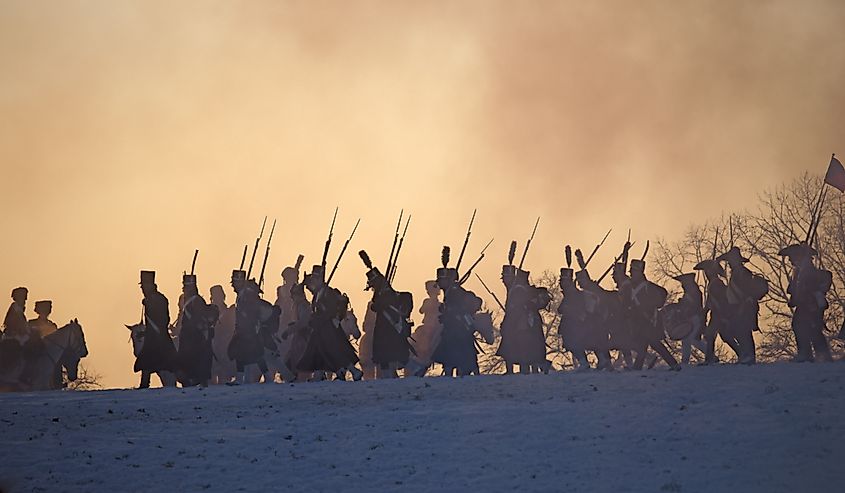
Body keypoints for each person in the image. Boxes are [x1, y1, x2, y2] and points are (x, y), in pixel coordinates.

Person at [296, 265, 362, 381]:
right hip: (320, 326)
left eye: (315, 279)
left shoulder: (328, 292)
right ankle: (319, 375)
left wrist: (322, 311)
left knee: (336, 351)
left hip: (328, 326)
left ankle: (354, 371)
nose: (313, 282)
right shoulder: (318, 293)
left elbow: (331, 309)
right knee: (317, 350)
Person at [432, 248, 484, 377]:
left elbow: (461, 306)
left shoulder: (455, 291)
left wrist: (449, 311)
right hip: (452, 328)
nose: (440, 284)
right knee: (451, 354)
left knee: (460, 354)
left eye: (442, 281)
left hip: (458, 328)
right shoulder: (450, 291)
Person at [780, 243, 833, 362]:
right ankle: (812, 354)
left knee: (809, 328)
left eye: (791, 257)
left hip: (811, 304)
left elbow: (809, 286)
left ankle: (816, 355)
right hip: (804, 304)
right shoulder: (799, 270)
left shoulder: (808, 269)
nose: (789, 260)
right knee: (802, 326)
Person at [623, 260, 680, 371]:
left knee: (651, 343)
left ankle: (673, 364)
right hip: (638, 321)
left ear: (639, 272)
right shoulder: (630, 287)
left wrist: (652, 306)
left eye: (633, 272)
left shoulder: (648, 286)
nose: (631, 274)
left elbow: (662, 294)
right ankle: (639, 367)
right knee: (644, 344)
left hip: (648, 320)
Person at [363, 258, 414, 378]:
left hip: (389, 328)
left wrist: (378, 304)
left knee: (391, 353)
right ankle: (389, 374)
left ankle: (397, 373)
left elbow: (380, 305)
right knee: (385, 355)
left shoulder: (388, 294)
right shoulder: (381, 293)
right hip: (383, 328)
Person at [717, 246, 766, 364]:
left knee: (743, 331)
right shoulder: (736, 273)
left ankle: (749, 356)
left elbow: (747, 290)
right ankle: (745, 354)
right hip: (738, 306)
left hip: (744, 305)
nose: (729, 263)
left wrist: (744, 303)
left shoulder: (743, 272)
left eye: (731, 260)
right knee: (737, 330)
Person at [135, 271, 178, 388]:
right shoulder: (151, 299)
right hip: (152, 337)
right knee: (147, 361)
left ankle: (186, 383)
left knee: (171, 363)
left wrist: (149, 303)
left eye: (144, 286)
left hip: (159, 338)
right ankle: (144, 384)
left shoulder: (158, 299)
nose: (142, 289)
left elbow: (163, 319)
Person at [693, 259, 740, 364]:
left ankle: (709, 359)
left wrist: (722, 315)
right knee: (725, 335)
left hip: (718, 314)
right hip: (716, 313)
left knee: (710, 335)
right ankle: (741, 353)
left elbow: (719, 301)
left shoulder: (716, 284)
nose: (706, 273)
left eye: (707, 271)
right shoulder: (714, 283)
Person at [176, 274, 219, 386]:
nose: (184, 290)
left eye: (185, 288)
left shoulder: (196, 300)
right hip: (187, 338)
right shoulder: (189, 301)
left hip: (194, 339)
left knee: (195, 365)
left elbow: (200, 319)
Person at [226, 270, 268, 385]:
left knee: (253, 354)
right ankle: (243, 378)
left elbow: (254, 309)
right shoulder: (242, 294)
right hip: (243, 329)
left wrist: (247, 317)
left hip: (249, 329)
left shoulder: (247, 294)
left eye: (235, 283)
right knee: (245, 354)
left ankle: (265, 376)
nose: (233, 286)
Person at [405, 281, 441, 377]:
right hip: (428, 325)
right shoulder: (428, 301)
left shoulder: (438, 303)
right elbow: (421, 310)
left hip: (434, 326)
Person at [671, 273, 707, 365]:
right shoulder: (691, 292)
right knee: (686, 339)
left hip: (695, 318)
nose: (683, 285)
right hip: (690, 318)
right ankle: (685, 361)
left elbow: (693, 306)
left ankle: (710, 355)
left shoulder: (694, 292)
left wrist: (683, 306)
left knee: (692, 339)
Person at [209, 285, 236, 384]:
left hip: (224, 344)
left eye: (218, 295)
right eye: (214, 295)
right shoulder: (209, 310)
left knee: (224, 372)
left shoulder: (228, 311)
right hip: (212, 343)